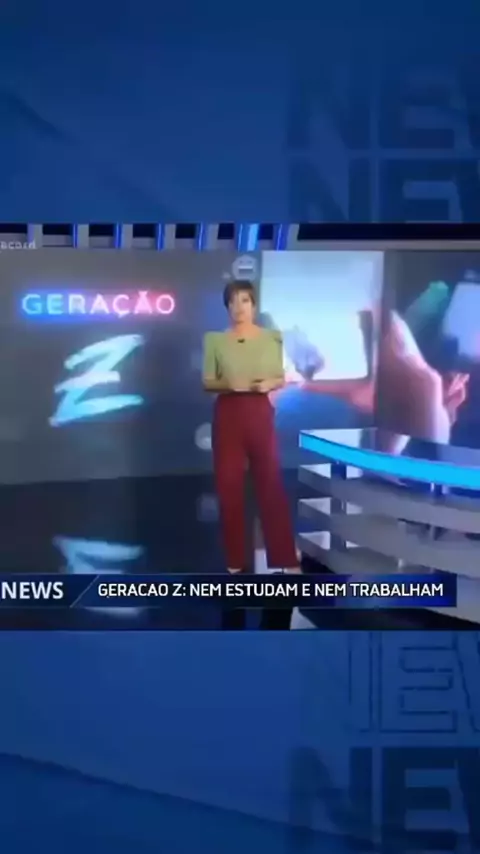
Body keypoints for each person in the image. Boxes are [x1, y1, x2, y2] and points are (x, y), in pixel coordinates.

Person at [202, 280, 300, 574]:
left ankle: (285, 559)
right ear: (227, 307)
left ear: (254, 305)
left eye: (244, 300)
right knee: (228, 487)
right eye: (232, 302)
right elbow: (208, 382)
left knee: (270, 485)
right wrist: (229, 384)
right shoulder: (215, 340)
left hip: (259, 412)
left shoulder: (271, 338)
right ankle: (235, 561)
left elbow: (279, 377)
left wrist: (268, 383)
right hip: (228, 414)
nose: (238, 307)